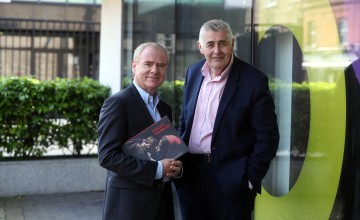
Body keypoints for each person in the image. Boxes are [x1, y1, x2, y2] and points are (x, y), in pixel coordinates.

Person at [173, 19, 280, 220]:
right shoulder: (193, 73)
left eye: (222, 43)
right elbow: (185, 121)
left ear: (232, 44)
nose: (217, 50)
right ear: (200, 47)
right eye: (210, 44)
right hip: (190, 178)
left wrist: (249, 179)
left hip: (232, 182)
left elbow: (268, 137)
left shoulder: (253, 81)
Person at [97, 42, 183, 220]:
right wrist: (158, 169)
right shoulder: (118, 103)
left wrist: (175, 167)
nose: (155, 70)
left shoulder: (164, 108)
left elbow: (162, 151)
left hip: (162, 204)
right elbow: (107, 156)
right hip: (129, 206)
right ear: (134, 66)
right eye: (148, 64)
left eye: (161, 65)